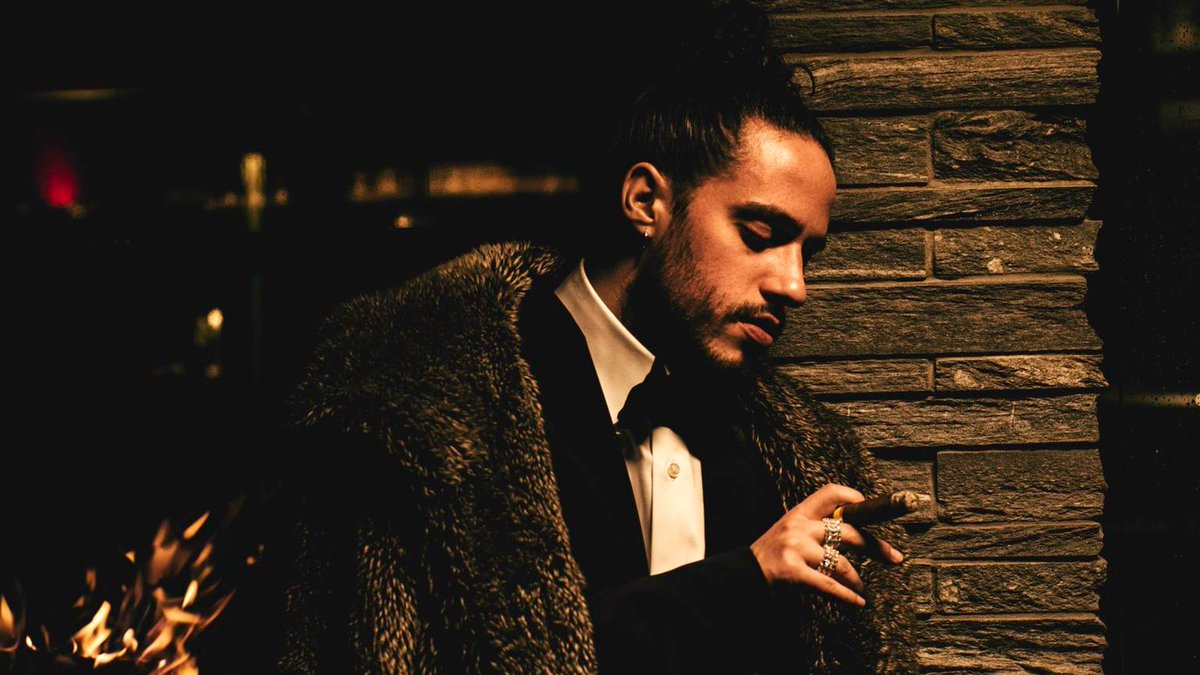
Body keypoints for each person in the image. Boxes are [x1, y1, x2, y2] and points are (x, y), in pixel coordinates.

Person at [275, 48, 917, 675]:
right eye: (760, 235)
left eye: (809, 253)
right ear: (645, 202)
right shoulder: (416, 409)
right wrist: (743, 578)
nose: (794, 285)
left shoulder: (796, 457)